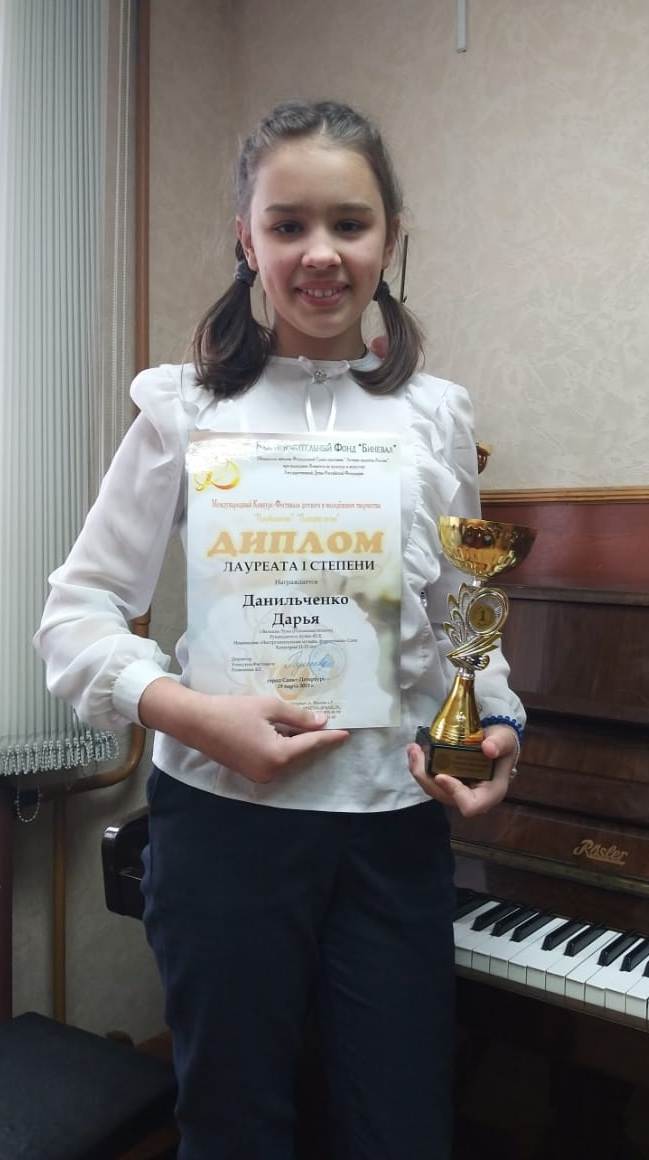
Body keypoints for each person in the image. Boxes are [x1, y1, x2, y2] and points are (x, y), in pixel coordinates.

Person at [34, 100, 525, 1160]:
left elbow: (464, 614)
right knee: (232, 1129)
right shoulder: (182, 408)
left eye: (348, 223)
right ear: (245, 240)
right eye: (287, 224)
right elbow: (73, 614)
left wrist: (495, 725)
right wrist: (189, 713)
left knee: (401, 1128)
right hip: (223, 828)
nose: (320, 253)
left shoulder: (435, 415)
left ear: (390, 236)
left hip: (393, 827)